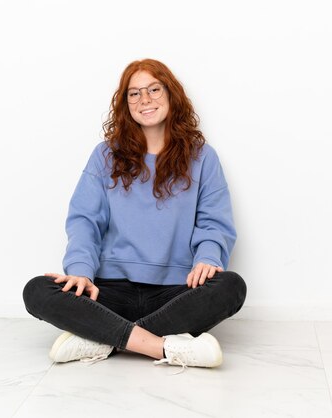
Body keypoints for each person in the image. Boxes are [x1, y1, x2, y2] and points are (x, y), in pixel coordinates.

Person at [22, 59, 246, 370]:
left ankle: (102, 337)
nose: (145, 100)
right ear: (125, 104)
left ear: (172, 95)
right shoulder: (105, 155)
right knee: (37, 291)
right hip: (110, 288)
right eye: (134, 93)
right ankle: (161, 346)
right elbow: (85, 221)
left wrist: (208, 257)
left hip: (175, 291)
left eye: (154, 89)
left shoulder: (202, 157)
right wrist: (81, 271)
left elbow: (213, 221)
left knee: (231, 287)